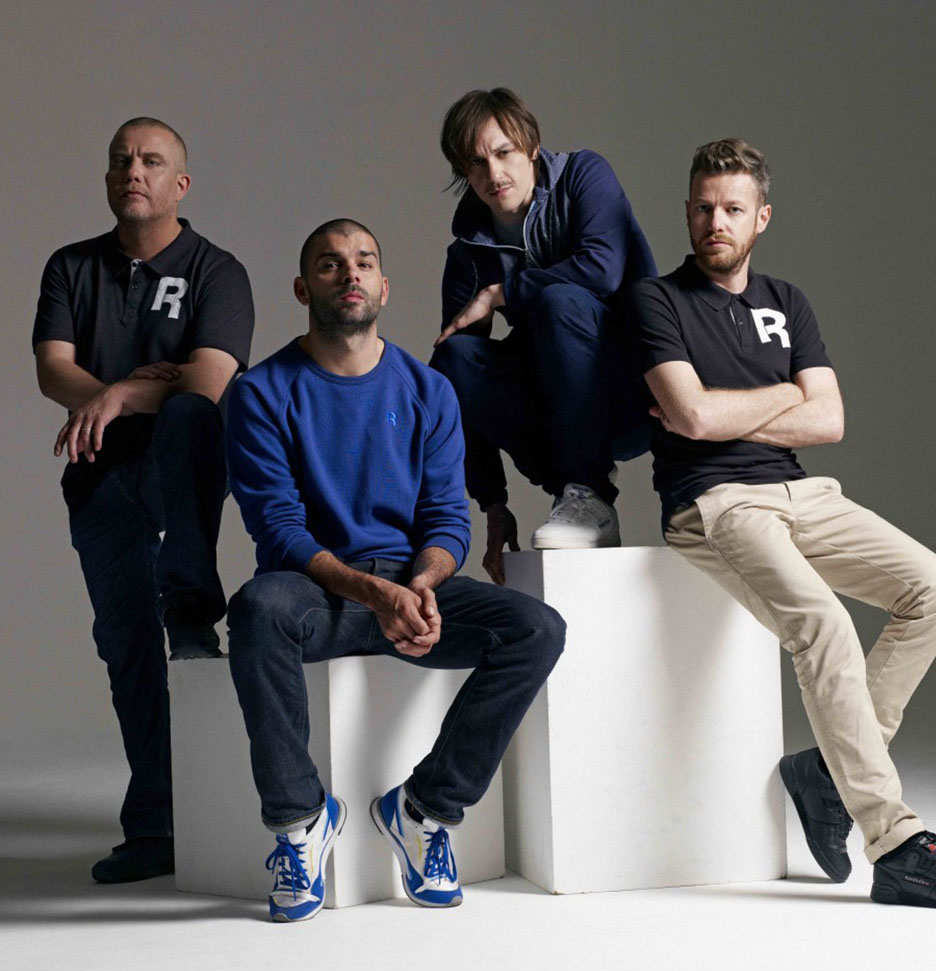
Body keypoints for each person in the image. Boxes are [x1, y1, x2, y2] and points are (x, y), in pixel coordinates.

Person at [630, 138, 936, 909]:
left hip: (803, 494)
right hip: (714, 502)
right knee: (823, 626)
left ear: (761, 217)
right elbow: (691, 419)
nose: (716, 222)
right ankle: (895, 842)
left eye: (733, 209)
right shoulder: (656, 301)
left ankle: (828, 773)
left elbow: (828, 420)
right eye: (704, 208)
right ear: (688, 212)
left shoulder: (787, 301)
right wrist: (779, 396)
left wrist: (727, 410)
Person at [225, 219, 565, 922]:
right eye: (329, 264)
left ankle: (423, 810)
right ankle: (299, 822)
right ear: (303, 288)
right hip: (320, 593)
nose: (349, 274)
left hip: (407, 590)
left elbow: (447, 519)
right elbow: (278, 527)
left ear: (384, 286)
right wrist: (371, 592)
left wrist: (421, 586)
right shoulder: (260, 393)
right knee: (257, 609)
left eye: (364, 262)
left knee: (537, 629)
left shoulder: (427, 390)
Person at [32, 117, 254, 883]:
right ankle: (158, 824)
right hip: (99, 476)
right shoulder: (71, 266)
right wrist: (129, 388)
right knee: (126, 646)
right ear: (107, 178)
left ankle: (190, 604)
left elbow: (208, 383)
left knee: (190, 416)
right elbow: (53, 370)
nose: (134, 171)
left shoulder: (216, 271)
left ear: (179, 184)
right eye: (121, 160)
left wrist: (117, 394)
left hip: (176, 466)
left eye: (152, 161)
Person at [430, 87, 656, 582]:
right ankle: (575, 493)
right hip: (559, 414)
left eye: (504, 152)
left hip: (633, 389)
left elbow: (601, 270)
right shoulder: (468, 252)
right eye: (476, 163)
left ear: (531, 146)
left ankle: (589, 488)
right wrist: (492, 503)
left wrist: (501, 293)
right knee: (452, 359)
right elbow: (455, 386)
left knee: (561, 300)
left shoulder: (582, 175)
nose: (494, 174)